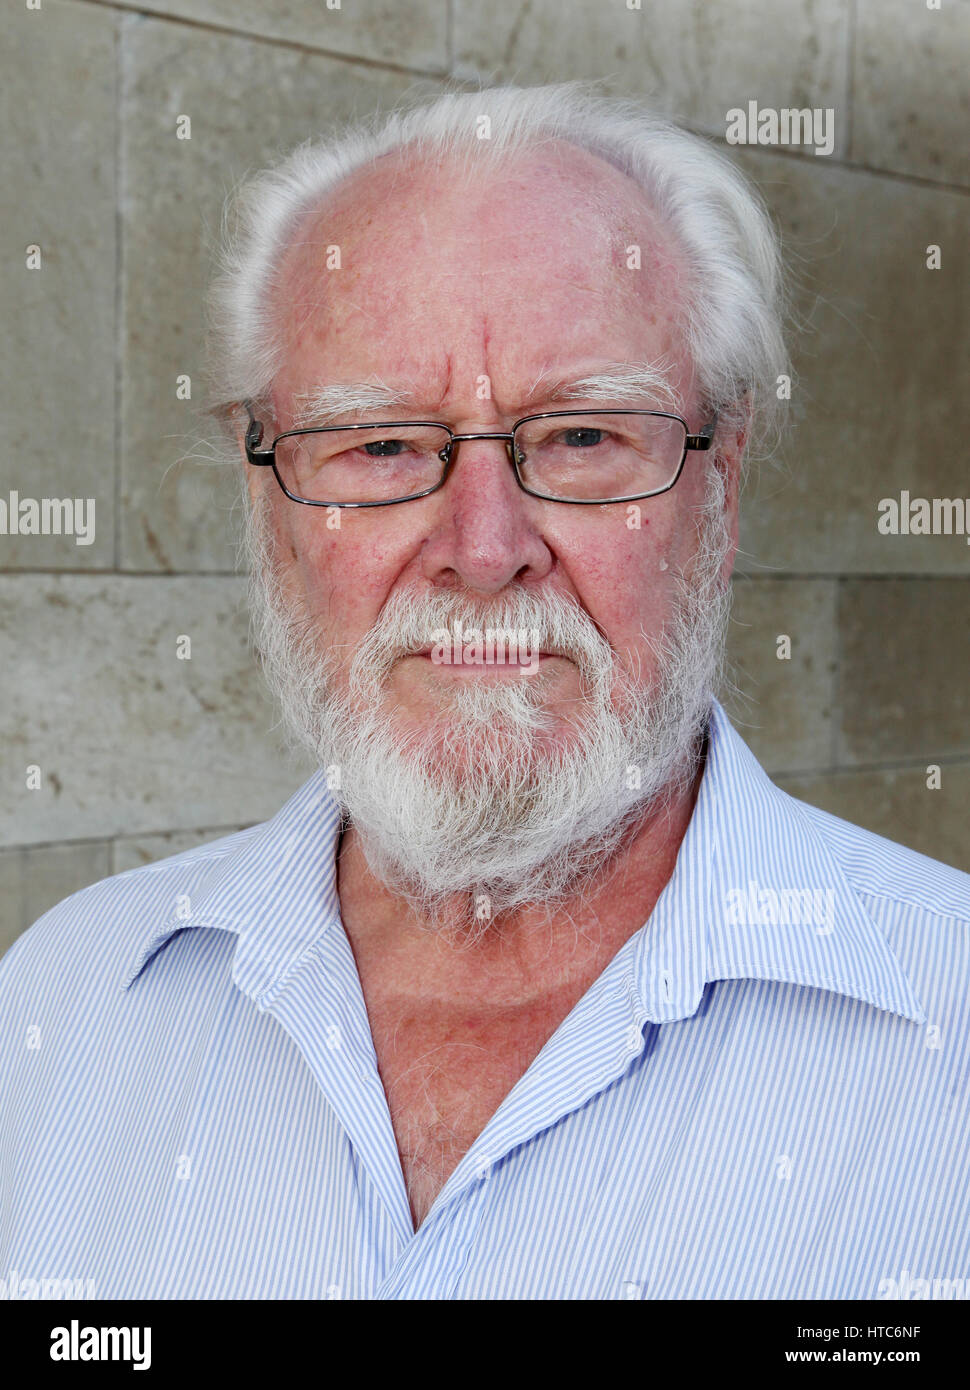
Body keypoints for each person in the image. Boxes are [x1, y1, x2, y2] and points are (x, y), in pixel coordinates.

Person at [1, 84, 967, 1300]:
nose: (482, 543)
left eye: (578, 438)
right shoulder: (60, 1002)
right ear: (268, 506)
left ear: (719, 489)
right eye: (382, 445)